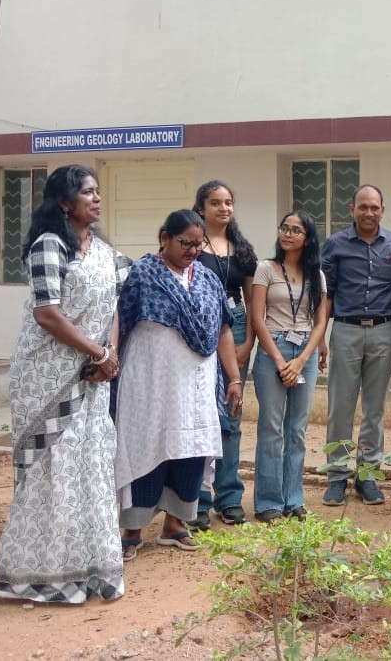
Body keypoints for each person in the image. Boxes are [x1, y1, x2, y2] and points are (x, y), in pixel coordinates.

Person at [0, 165, 129, 603]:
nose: (97, 198)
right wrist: (98, 353)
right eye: (87, 192)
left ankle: (90, 570)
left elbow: (114, 307)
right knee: (54, 468)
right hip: (47, 376)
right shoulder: (49, 246)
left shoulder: (105, 253)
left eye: (97, 191)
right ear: (65, 202)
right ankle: (43, 577)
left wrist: (108, 354)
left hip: (93, 375)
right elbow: (47, 313)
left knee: (90, 464)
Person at [114, 210, 243, 560]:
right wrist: (110, 364)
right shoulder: (142, 275)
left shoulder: (207, 279)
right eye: (185, 243)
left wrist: (233, 377)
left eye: (198, 245)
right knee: (146, 445)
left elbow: (224, 329)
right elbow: (120, 324)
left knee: (190, 447)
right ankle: (132, 530)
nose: (192, 251)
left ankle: (175, 525)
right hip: (149, 383)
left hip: (196, 386)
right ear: (164, 238)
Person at [321, 185, 391, 508]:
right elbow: (326, 294)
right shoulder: (335, 244)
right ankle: (336, 476)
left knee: (375, 408)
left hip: (384, 331)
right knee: (340, 406)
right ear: (352, 209)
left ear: (382, 210)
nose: (368, 213)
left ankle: (367, 475)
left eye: (374, 207)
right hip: (345, 330)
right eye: (363, 207)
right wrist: (321, 338)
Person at [251, 210, 329, 523]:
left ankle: (293, 500)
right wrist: (281, 360)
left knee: (297, 430)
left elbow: (320, 322)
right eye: (284, 228)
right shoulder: (266, 268)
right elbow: (257, 318)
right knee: (271, 429)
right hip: (274, 348)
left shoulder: (317, 274)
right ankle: (268, 503)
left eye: (295, 230)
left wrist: (301, 360)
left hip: (304, 352)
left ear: (307, 238)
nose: (287, 234)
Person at [189, 181, 258, 529]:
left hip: (238, 326)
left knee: (231, 415)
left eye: (228, 202)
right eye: (215, 202)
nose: (224, 208)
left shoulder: (242, 248)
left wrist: (249, 343)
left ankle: (229, 497)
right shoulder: (190, 244)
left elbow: (253, 301)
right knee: (200, 415)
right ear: (201, 208)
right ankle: (196, 500)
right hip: (198, 327)